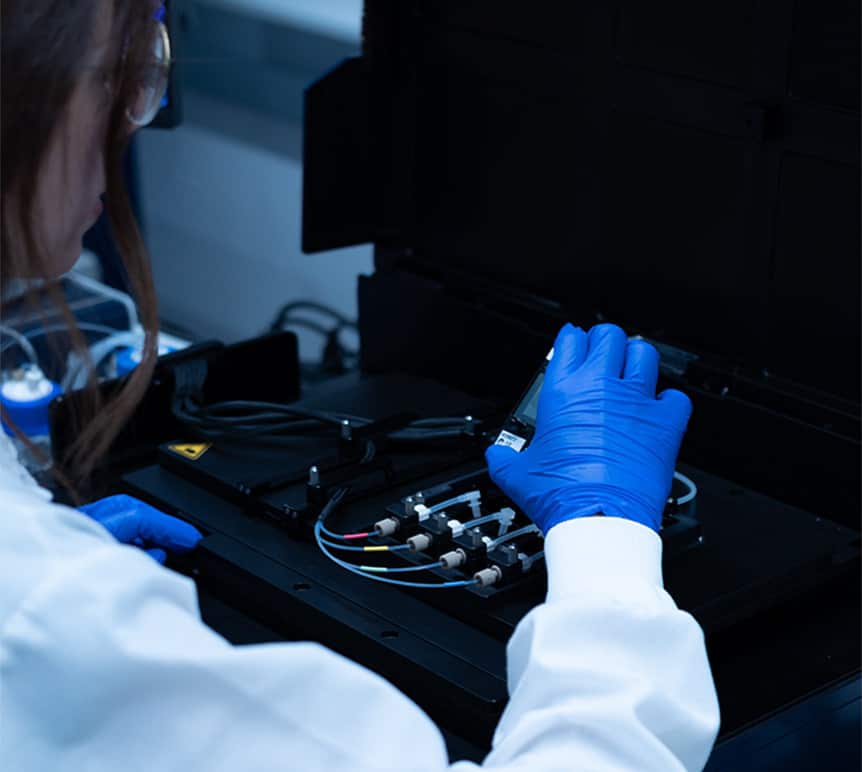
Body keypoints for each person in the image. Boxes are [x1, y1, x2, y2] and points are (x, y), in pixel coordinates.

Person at [0, 2, 720, 769]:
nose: (134, 119)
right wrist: (606, 543)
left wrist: (64, 564)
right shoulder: (44, 608)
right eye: (118, 75)